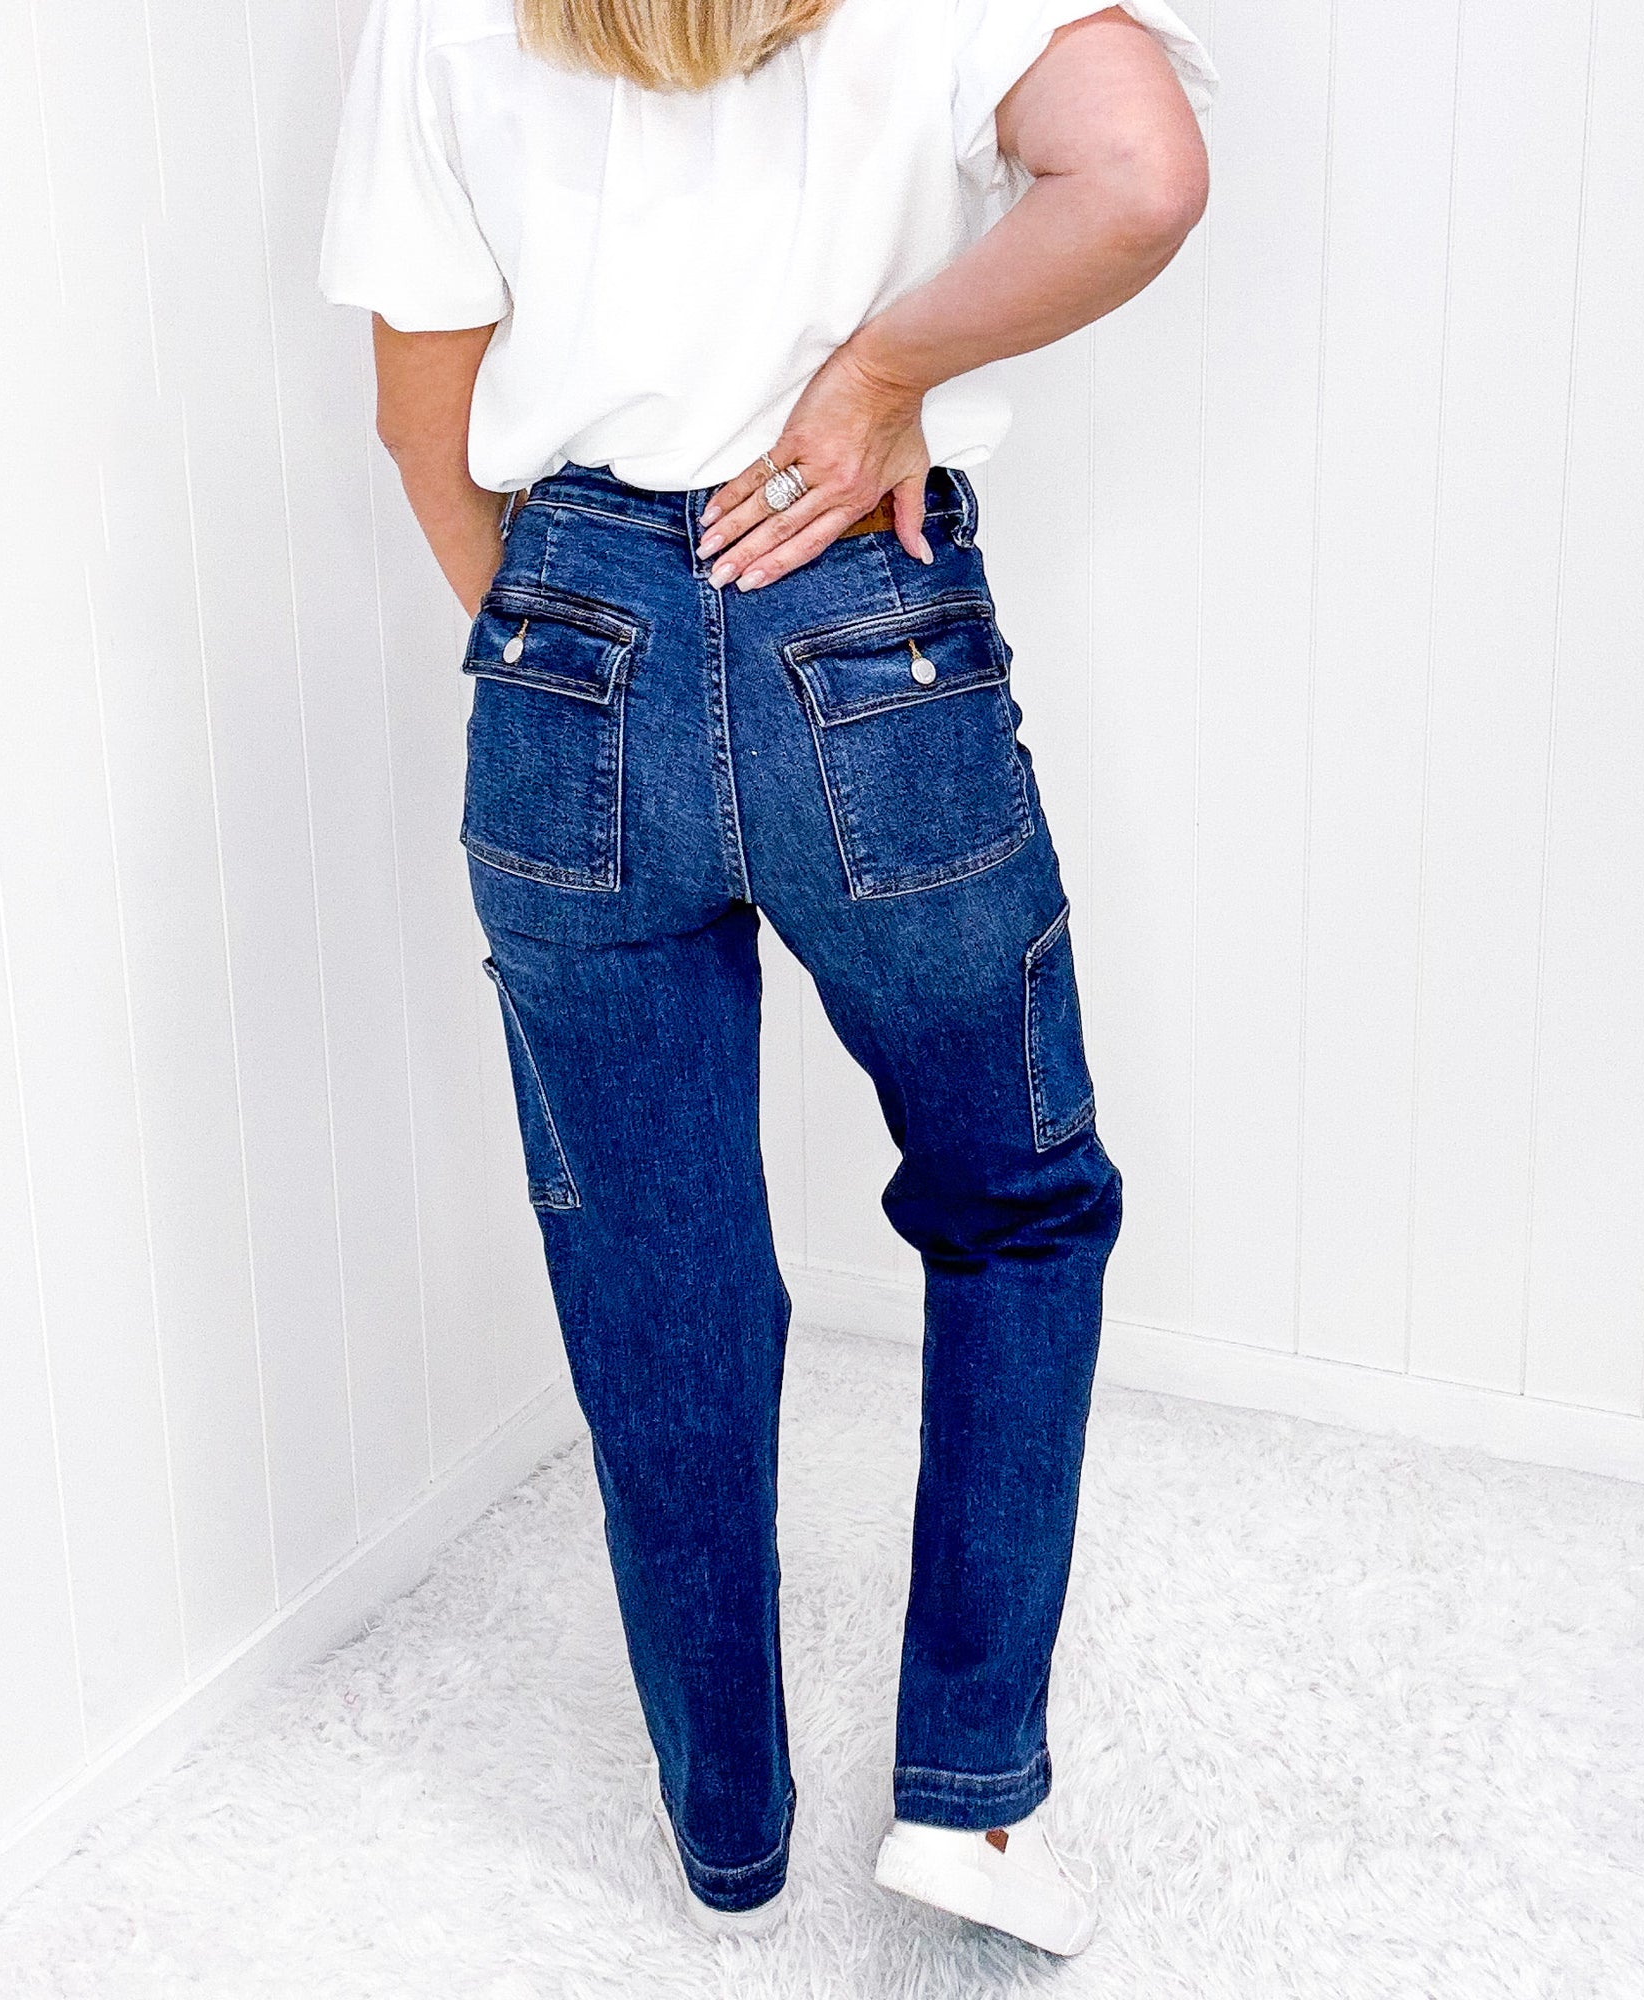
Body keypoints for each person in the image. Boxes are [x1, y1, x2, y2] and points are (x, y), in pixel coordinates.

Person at [319, 0, 1213, 1957]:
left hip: (563, 635)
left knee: (658, 1271)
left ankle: (726, 1832)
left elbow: (415, 417)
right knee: (1015, 1201)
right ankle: (970, 1801)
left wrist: (569, 647)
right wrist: (879, 372)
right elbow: (1141, 177)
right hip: (861, 619)